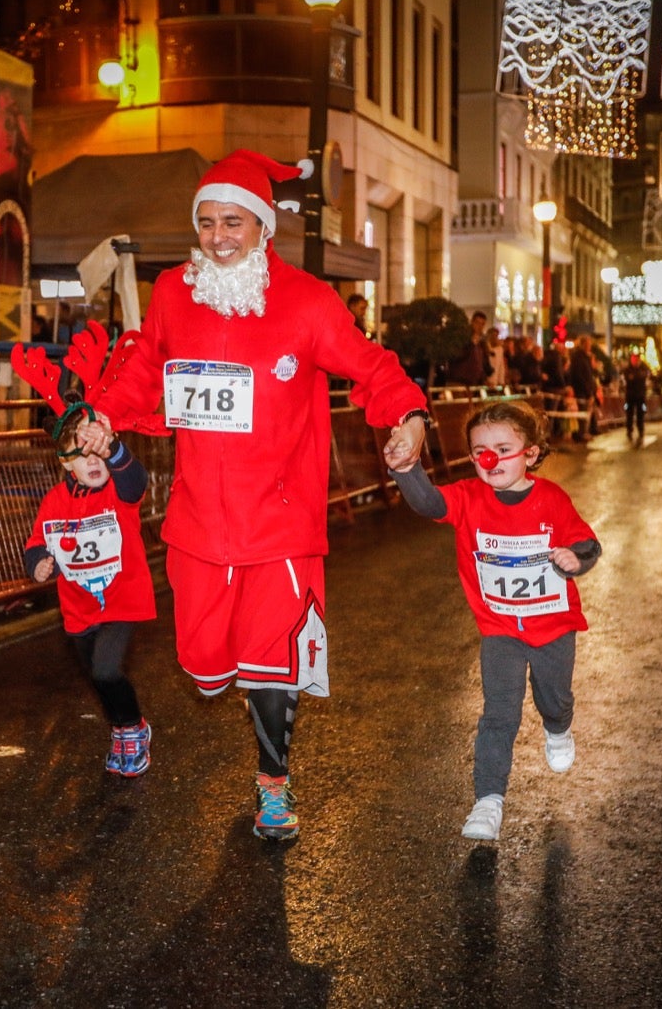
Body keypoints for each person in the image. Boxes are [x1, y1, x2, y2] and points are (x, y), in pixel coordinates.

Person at [75, 149, 428, 842]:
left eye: (233, 221)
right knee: (206, 667)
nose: (218, 236)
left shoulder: (308, 300)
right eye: (206, 222)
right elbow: (147, 363)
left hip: (282, 522)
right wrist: (106, 412)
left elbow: (370, 364)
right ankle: (220, 678)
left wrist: (408, 414)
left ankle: (273, 786)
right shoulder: (176, 291)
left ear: (263, 226)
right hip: (200, 521)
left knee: (272, 662)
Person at [391, 400, 600, 841]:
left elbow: (587, 542)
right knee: (498, 715)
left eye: (503, 448)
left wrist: (575, 558)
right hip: (500, 630)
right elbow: (429, 503)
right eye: (479, 450)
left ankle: (558, 728)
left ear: (531, 453)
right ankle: (488, 802)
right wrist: (405, 467)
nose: (490, 459)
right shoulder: (468, 497)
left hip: (553, 629)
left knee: (554, 698)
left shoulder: (552, 498)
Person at [21, 381, 156, 777]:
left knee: (106, 670)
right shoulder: (53, 502)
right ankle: (119, 728)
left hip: (122, 601)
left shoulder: (118, 490)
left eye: (99, 453)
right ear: (66, 463)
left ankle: (133, 727)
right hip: (78, 608)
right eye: (84, 456)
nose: (94, 461)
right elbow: (35, 543)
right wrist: (38, 563)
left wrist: (113, 447)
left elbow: (137, 481)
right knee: (95, 675)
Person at [567, 335, 599, 441]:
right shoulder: (578, 357)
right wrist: (587, 390)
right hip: (581, 389)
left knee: (586, 411)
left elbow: (590, 374)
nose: (589, 346)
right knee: (582, 411)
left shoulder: (586, 357)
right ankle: (580, 434)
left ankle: (585, 431)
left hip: (587, 389)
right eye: (587, 344)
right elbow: (580, 375)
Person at [448, 310, 490, 386]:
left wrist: (484, 379)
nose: (480, 326)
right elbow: (456, 356)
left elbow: (480, 363)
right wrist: (471, 344)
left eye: (482, 324)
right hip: (459, 381)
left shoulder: (481, 343)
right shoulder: (462, 337)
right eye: (477, 323)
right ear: (472, 322)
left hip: (474, 383)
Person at [622, 352, 649, 440]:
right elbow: (628, 378)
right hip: (630, 395)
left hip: (640, 395)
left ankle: (641, 429)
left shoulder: (643, 368)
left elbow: (643, 375)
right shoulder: (628, 369)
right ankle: (629, 430)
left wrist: (635, 377)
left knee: (640, 414)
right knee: (629, 413)